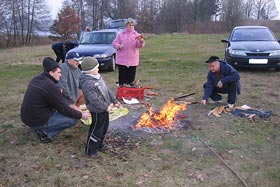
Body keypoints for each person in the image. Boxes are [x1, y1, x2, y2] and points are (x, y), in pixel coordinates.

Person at [20, 57, 90, 143]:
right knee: (72, 119)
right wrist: (81, 115)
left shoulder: (37, 79)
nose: (60, 75)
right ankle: (44, 133)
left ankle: (40, 128)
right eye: (59, 72)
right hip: (37, 120)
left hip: (27, 118)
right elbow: (63, 108)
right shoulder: (51, 87)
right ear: (51, 73)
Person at [79, 56, 120, 158]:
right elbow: (94, 100)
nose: (98, 69)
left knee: (104, 128)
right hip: (97, 110)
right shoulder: (87, 83)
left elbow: (106, 90)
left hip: (104, 109)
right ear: (90, 70)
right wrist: (105, 108)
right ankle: (90, 151)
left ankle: (99, 145)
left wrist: (114, 101)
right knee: (96, 130)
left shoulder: (97, 76)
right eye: (96, 68)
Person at [112, 18, 145, 87]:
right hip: (122, 58)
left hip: (133, 58)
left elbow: (139, 45)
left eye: (132, 25)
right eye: (129, 25)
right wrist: (119, 46)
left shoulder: (137, 35)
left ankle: (130, 87)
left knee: (131, 75)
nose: (131, 26)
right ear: (126, 25)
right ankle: (121, 86)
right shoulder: (120, 34)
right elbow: (114, 43)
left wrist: (141, 41)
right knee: (122, 74)